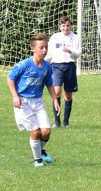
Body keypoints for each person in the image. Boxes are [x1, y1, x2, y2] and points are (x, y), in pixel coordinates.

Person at [7, 33, 61, 167]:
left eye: (46, 47)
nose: (44, 50)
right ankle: (38, 160)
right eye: (41, 48)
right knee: (35, 132)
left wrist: (55, 101)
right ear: (33, 49)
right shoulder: (25, 64)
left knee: (46, 131)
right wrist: (15, 96)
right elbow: (10, 78)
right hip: (23, 102)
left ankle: (41, 150)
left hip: (38, 101)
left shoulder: (47, 67)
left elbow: (49, 84)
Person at [45, 16, 81, 128]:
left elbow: (78, 53)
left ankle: (66, 121)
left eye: (68, 25)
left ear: (71, 26)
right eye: (63, 26)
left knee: (68, 95)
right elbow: (49, 54)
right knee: (56, 92)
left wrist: (71, 52)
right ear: (60, 26)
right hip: (57, 66)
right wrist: (42, 63)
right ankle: (57, 121)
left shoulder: (75, 37)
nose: (66, 28)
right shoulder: (55, 37)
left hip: (70, 66)